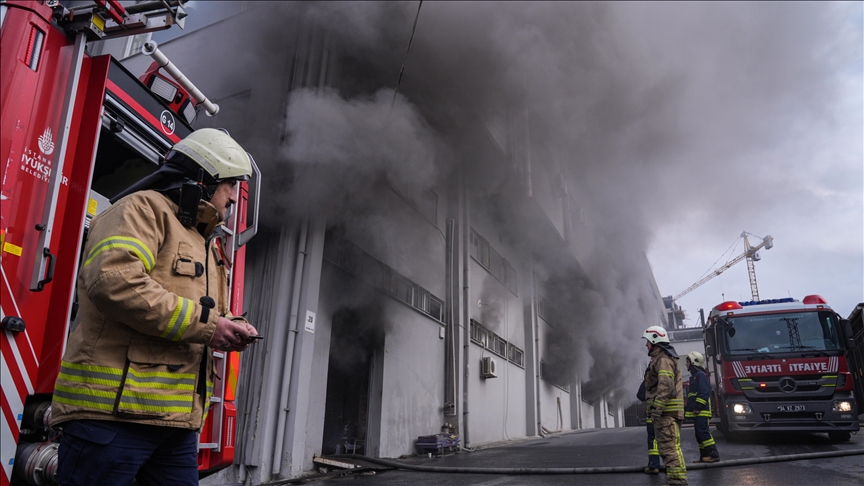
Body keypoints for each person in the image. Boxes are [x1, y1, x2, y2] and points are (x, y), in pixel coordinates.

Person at [50, 128, 260, 486]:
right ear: (206, 180)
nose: (234, 200)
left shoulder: (202, 240)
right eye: (231, 187)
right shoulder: (140, 210)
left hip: (173, 424)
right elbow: (115, 282)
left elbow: (201, 309)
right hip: (111, 419)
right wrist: (211, 326)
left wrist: (231, 324)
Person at [642, 325, 688, 486]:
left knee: (669, 449)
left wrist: (656, 411)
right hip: (669, 413)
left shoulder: (663, 360)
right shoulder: (664, 358)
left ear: (655, 340)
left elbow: (665, 386)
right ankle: (677, 480)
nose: (646, 345)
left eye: (648, 341)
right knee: (671, 448)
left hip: (666, 414)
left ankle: (677, 482)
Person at [685, 351, 720, 463]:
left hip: (702, 411)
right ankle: (704, 456)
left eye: (687, 361)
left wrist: (698, 407)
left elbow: (704, 392)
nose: (686, 364)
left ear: (693, 362)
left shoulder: (700, 375)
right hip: (698, 411)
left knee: (703, 432)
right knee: (699, 434)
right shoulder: (694, 376)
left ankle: (714, 454)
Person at [637, 373, 662, 474]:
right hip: (666, 414)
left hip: (652, 415)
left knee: (653, 439)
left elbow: (640, 395)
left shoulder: (649, 380)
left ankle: (654, 465)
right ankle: (671, 466)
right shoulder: (665, 378)